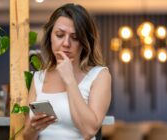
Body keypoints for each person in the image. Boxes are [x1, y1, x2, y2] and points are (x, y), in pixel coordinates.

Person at [23, 3, 111, 140]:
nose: (66, 43)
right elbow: (27, 136)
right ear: (50, 37)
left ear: (84, 42)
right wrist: (33, 129)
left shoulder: (99, 75)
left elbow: (89, 131)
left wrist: (69, 79)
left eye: (75, 38)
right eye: (59, 35)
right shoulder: (38, 78)